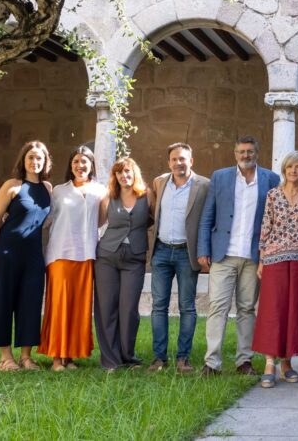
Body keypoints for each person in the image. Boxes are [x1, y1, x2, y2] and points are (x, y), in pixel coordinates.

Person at [197, 136, 280, 376]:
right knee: (217, 307)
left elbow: (273, 219)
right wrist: (204, 249)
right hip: (223, 254)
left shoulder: (271, 179)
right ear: (235, 154)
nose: (246, 155)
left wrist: (267, 255)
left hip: (253, 256)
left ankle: (244, 361)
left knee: (246, 308)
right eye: (242, 151)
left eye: (250, 151)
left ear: (257, 153)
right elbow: (207, 216)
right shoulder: (220, 177)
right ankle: (212, 362)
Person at [252, 151, 298, 388]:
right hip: (274, 259)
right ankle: (269, 363)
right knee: (274, 311)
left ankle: (287, 363)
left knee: (295, 311)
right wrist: (261, 258)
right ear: (284, 169)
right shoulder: (273, 195)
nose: (294, 171)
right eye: (290, 167)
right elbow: (266, 226)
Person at [0, 141, 53, 371]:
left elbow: (45, 221)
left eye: (39, 158)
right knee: (3, 302)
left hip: (33, 255)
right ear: (23, 160)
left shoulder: (48, 189)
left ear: (45, 161)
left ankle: (26, 357)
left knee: (30, 304)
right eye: (30, 157)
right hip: (7, 251)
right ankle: (5, 358)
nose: (35, 162)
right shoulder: (12, 186)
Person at [39, 145, 107, 371]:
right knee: (60, 304)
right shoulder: (59, 191)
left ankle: (70, 356)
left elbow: (101, 221)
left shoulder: (101, 190)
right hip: (60, 253)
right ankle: (57, 357)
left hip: (87, 253)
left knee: (79, 306)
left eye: (85, 161)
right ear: (70, 165)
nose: (80, 166)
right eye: (76, 161)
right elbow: (46, 220)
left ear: (91, 165)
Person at [147, 143, 211, 374]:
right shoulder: (160, 182)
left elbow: (208, 219)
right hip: (162, 251)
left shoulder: (204, 185)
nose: (178, 163)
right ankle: (159, 358)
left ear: (191, 161)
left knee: (187, 306)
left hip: (187, 252)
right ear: (169, 162)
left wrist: (206, 251)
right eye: (174, 159)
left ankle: (183, 358)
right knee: (158, 306)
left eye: (182, 159)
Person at [94, 157, 151, 371]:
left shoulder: (147, 196)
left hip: (134, 258)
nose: (124, 176)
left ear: (134, 173)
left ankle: (128, 356)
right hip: (107, 256)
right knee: (106, 308)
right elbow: (95, 223)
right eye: (119, 173)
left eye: (127, 171)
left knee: (128, 309)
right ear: (115, 176)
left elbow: (153, 217)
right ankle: (110, 360)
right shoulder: (109, 198)